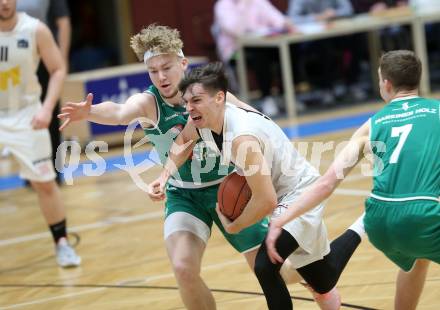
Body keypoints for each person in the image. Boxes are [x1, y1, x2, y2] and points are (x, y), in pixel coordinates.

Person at [58, 24, 295, 310]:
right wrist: (91, 111)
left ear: (183, 63)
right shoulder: (149, 102)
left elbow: (258, 121)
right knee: (183, 268)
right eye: (153, 70)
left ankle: (319, 274)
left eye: (166, 67)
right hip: (185, 195)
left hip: (230, 188)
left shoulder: (211, 95)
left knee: (279, 270)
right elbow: (121, 112)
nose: (160, 76)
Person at [152, 62, 366, 309]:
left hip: (300, 193)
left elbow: (266, 201)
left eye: (197, 100)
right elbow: (183, 141)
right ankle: (365, 222)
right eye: (187, 102)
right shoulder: (203, 123)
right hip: (283, 191)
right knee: (323, 276)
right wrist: (164, 175)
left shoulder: (242, 139)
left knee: (265, 266)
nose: (189, 108)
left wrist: (235, 226)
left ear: (220, 98)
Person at [266, 50, 439, 310]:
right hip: (422, 215)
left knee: (415, 258)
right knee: (418, 239)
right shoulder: (437, 111)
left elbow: (325, 184)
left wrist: (281, 220)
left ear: (386, 84)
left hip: (379, 222)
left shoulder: (373, 124)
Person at [0, 0, 80, 267]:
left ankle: (62, 243)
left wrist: (46, 108)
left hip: (26, 115)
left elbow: (57, 69)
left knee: (45, 183)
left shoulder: (35, 29)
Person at [17, 0, 71, 183]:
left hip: (44, 58)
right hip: (17, 61)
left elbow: (63, 22)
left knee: (50, 114)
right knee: (22, 115)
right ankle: (30, 171)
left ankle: (54, 172)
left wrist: (61, 58)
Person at [213, 0, 295, 116]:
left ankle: (285, 95)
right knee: (259, 57)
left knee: (290, 49)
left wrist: (286, 25)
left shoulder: (258, 1)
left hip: (264, 44)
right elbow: (237, 31)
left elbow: (277, 18)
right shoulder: (223, 5)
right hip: (235, 51)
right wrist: (244, 5)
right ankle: (267, 98)